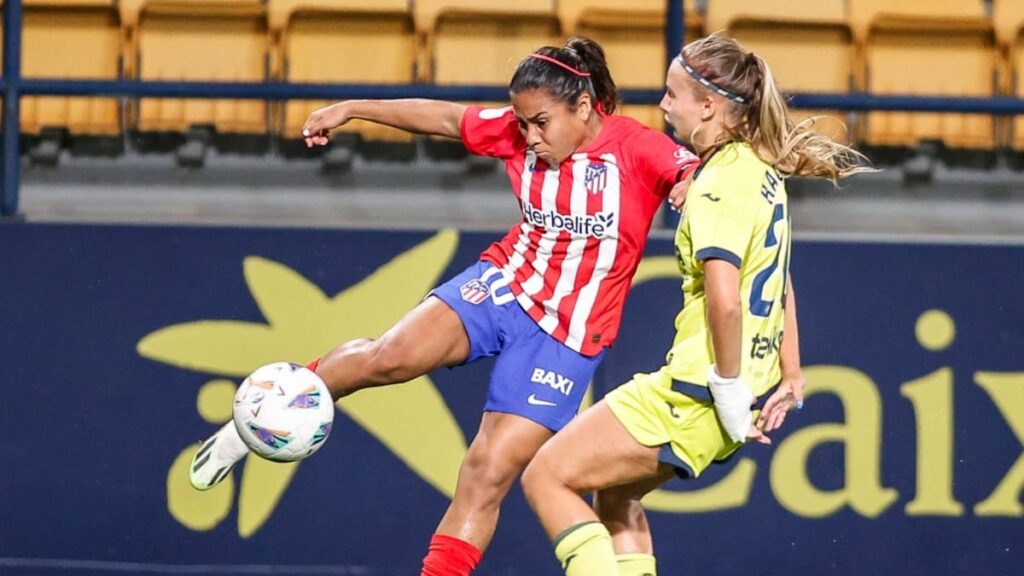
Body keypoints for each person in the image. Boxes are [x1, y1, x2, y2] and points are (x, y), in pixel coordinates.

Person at [188, 36, 701, 576]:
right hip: (503, 284)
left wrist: (692, 185)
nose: (527, 136)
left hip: (566, 336)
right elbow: (443, 117)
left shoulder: (638, 149)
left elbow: (702, 174)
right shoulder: (520, 131)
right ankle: (252, 426)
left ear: (584, 106)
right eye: (522, 122)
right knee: (389, 357)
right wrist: (352, 108)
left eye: (540, 123)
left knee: (485, 474)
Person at [520, 33, 875, 576]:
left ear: (708, 106)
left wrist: (728, 389)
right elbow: (779, 282)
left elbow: (727, 301)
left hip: (697, 393)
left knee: (546, 475)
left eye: (672, 93)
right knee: (616, 500)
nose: (662, 103)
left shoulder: (719, 184)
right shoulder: (761, 174)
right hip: (731, 396)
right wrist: (792, 371)